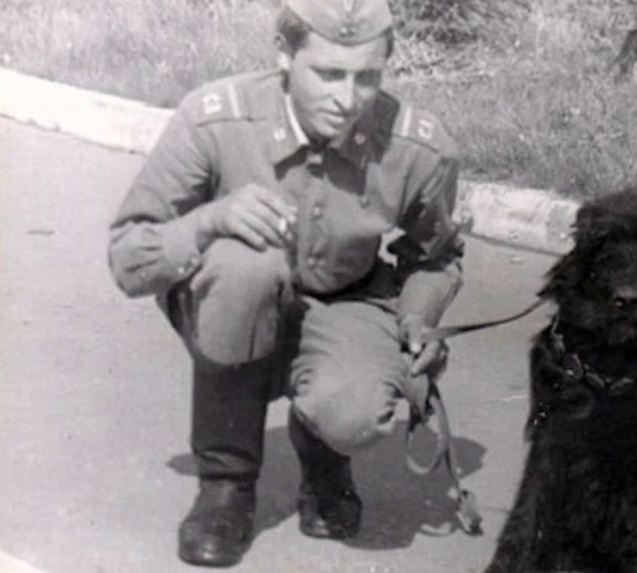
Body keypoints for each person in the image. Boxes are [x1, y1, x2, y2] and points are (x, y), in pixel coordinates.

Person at [107, 0, 464, 566]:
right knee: (244, 269)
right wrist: (210, 220)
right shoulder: (214, 119)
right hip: (237, 297)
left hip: (346, 298)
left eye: (366, 77)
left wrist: (418, 318)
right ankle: (225, 482)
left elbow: (436, 256)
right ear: (283, 55)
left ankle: (323, 451)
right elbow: (128, 258)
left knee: (356, 411)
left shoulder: (419, 147)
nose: (347, 99)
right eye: (327, 73)